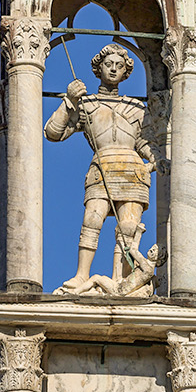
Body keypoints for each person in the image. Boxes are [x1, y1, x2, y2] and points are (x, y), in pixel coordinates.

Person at [46, 43, 155, 294]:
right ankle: (81, 275)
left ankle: (122, 278)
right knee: (92, 219)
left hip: (132, 170)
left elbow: (143, 142)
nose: (114, 69)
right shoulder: (87, 104)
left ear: (127, 71)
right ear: (99, 68)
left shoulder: (136, 108)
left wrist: (156, 159)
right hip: (103, 164)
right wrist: (69, 101)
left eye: (119, 65)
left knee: (128, 227)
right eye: (109, 64)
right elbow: (53, 132)